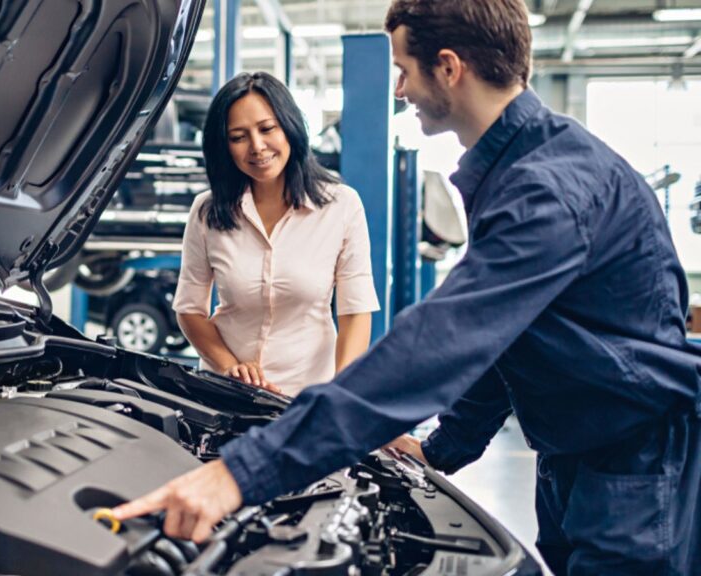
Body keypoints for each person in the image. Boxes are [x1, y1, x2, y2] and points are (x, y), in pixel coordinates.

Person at [114, 1, 701, 573]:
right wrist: (443, 449)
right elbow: (508, 337)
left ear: (449, 67)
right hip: (575, 457)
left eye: (403, 70)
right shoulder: (515, 172)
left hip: (633, 469)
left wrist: (240, 474)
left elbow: (441, 341)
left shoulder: (546, 191)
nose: (398, 90)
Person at [172, 72, 380, 396]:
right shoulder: (207, 211)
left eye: (267, 129)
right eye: (238, 137)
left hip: (308, 397)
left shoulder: (342, 206)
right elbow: (189, 309)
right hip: (226, 394)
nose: (257, 147)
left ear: (290, 127)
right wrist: (229, 365)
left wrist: (340, 395)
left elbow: (355, 312)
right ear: (223, 146)